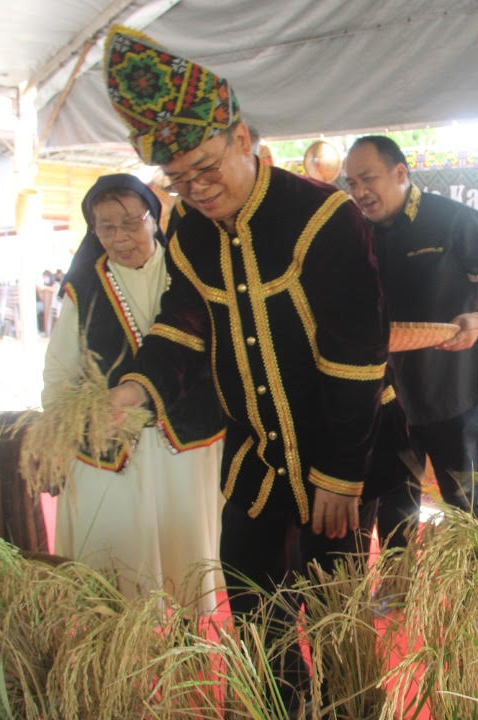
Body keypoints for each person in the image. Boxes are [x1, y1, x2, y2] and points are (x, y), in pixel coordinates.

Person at [101, 26, 388, 707]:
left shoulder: (322, 218)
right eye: (177, 180)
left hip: (332, 464)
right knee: (256, 615)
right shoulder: (193, 233)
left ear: (243, 138)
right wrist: (138, 384)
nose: (196, 189)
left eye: (207, 168)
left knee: (338, 616)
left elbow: (356, 354)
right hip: (254, 463)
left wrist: (341, 474)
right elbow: (186, 318)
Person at [42, 174, 225, 615]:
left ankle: (189, 637)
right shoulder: (82, 288)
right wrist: (59, 434)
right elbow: (60, 369)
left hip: (185, 443)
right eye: (105, 227)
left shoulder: (188, 272)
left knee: (186, 562)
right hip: (114, 447)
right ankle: (123, 648)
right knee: (119, 568)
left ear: (153, 217)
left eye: (130, 222)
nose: (120, 236)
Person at [344, 135, 478, 542]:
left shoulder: (452, 220)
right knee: (396, 502)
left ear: (400, 173)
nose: (359, 192)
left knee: (467, 505)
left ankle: (477, 594)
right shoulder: (355, 233)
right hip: (390, 398)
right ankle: (397, 592)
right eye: (351, 184)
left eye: (367, 179)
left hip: (455, 392)